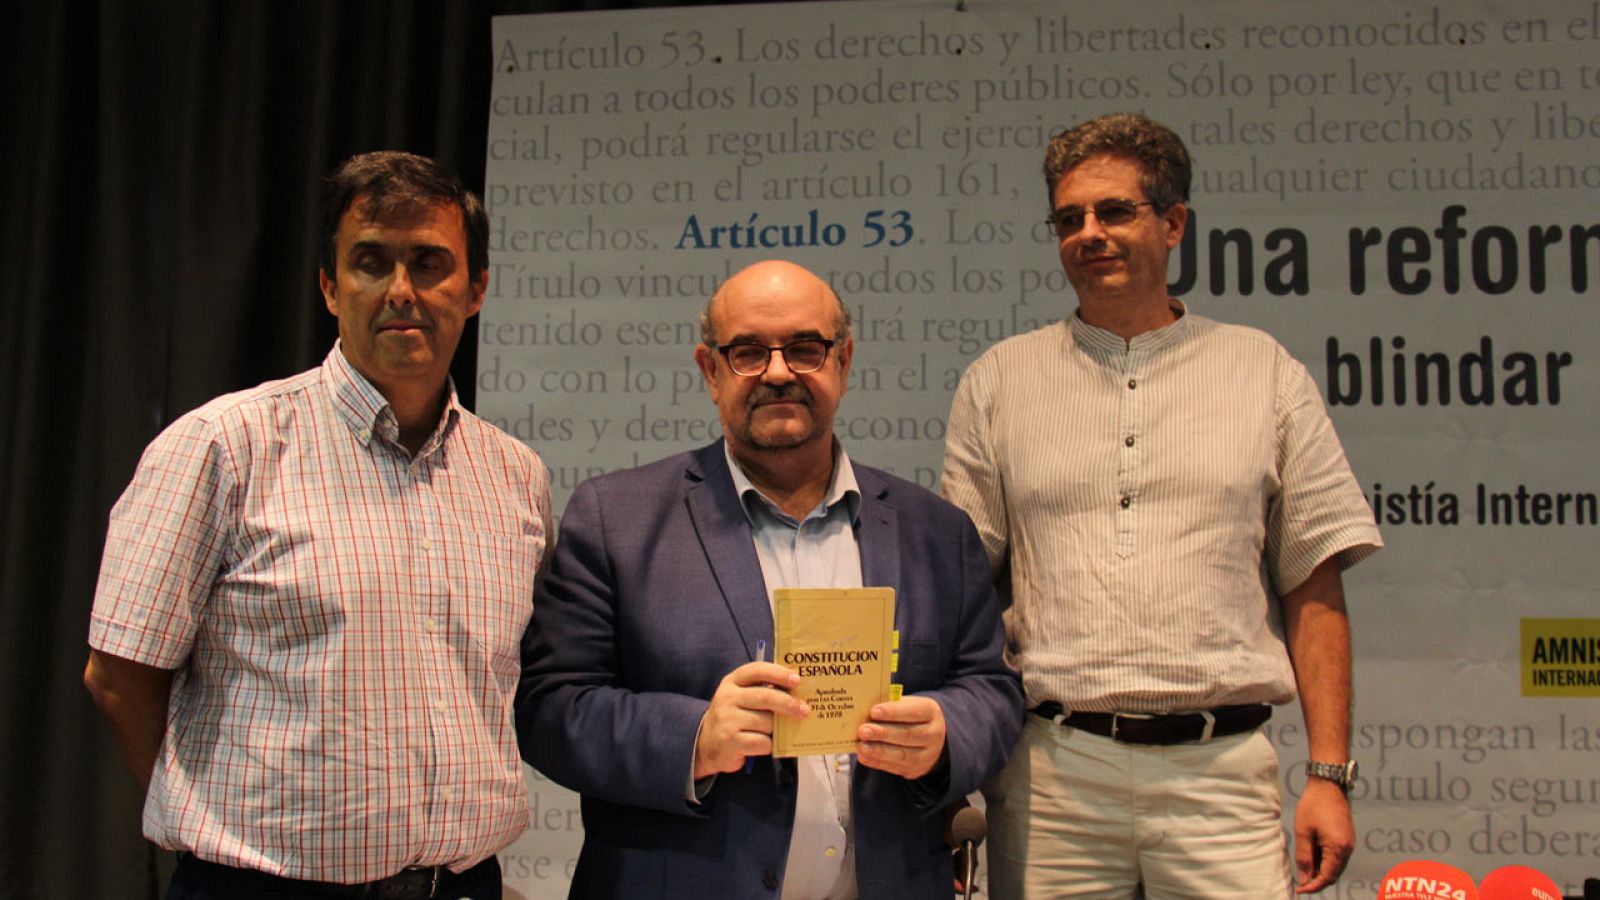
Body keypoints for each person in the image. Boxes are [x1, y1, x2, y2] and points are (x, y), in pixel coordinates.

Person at [83, 151, 552, 900]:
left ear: (476, 291)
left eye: (429, 263)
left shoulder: (515, 475)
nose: (401, 291)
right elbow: (118, 676)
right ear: (331, 287)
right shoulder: (222, 447)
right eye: (371, 262)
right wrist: (222, 824)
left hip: (464, 884)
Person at [940, 113, 1383, 898]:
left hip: (1221, 775)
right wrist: (946, 770)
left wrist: (1328, 775)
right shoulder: (998, 380)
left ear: (1174, 223)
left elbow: (1313, 583)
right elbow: (960, 591)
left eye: (1115, 211)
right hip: (1052, 774)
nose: (1090, 234)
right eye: (1069, 219)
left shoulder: (1264, 372)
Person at [516, 259, 1021, 899]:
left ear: (844, 361)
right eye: (749, 352)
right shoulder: (615, 518)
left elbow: (991, 689)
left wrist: (946, 734)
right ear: (710, 370)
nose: (778, 372)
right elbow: (549, 707)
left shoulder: (936, 531)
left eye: (805, 349)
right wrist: (694, 738)